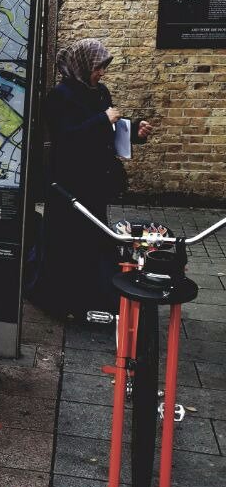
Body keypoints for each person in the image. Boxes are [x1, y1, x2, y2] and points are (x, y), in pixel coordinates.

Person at [25, 38, 153, 321]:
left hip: (95, 180)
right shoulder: (59, 96)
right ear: (82, 66)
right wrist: (103, 120)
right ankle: (61, 299)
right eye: (98, 67)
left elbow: (109, 128)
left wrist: (133, 130)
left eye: (103, 68)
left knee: (93, 238)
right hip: (68, 184)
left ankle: (92, 296)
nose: (102, 73)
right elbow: (67, 137)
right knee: (66, 241)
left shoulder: (99, 92)